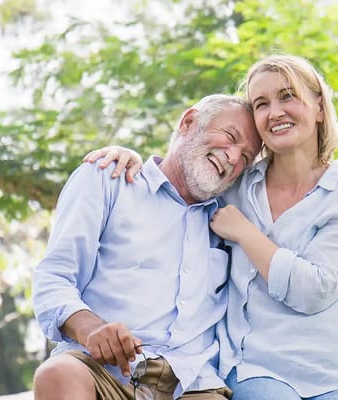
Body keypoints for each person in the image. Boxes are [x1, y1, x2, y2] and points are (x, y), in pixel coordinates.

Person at [86, 54, 338, 399]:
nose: (275, 112)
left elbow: (315, 290)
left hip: (337, 367)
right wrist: (131, 156)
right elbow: (175, 189)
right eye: (261, 104)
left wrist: (244, 232)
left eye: (287, 96)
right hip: (255, 366)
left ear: (318, 106)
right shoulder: (234, 186)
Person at [32, 94, 262, 400]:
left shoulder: (234, 218)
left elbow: (293, 258)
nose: (233, 157)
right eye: (230, 137)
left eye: (245, 157)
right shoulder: (109, 178)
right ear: (188, 122)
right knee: (57, 374)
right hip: (102, 371)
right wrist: (91, 329)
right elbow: (53, 277)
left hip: (191, 386)